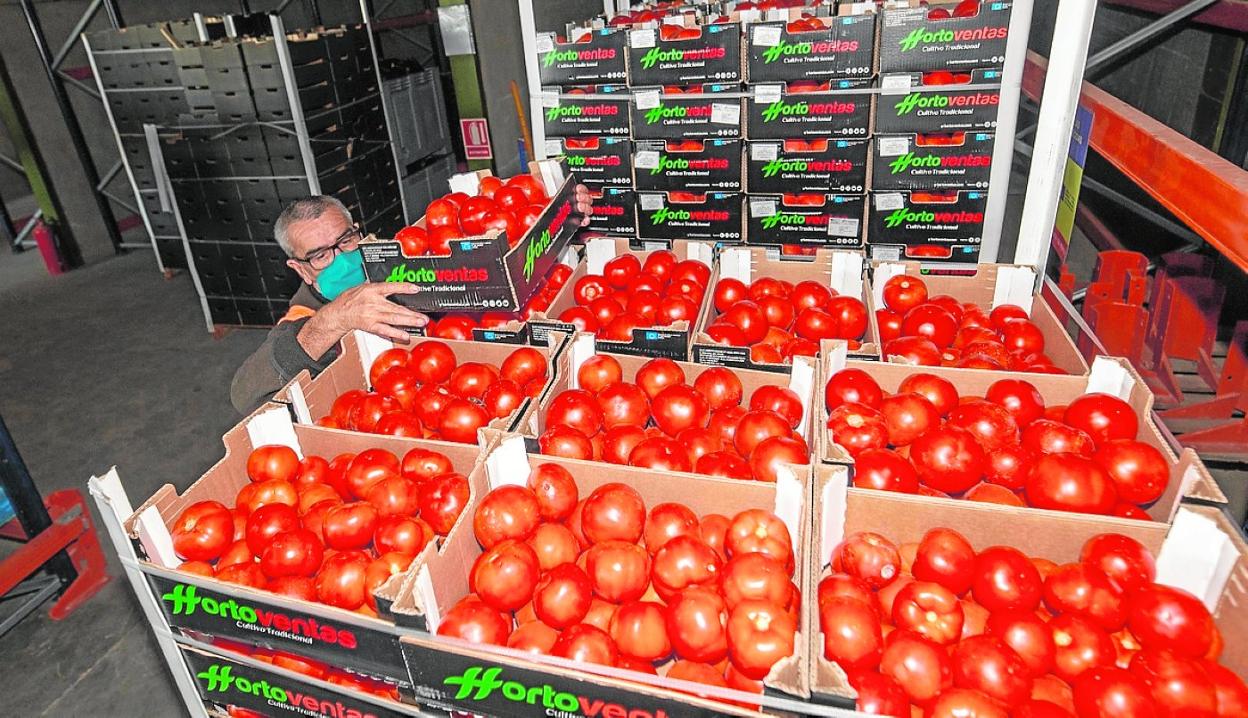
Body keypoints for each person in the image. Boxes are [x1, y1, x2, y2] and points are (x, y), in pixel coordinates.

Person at [231, 186, 593, 413]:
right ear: (300, 269)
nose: (342, 257)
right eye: (320, 255)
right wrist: (334, 318)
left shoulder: (395, 259)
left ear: (358, 230)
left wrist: (562, 220)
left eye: (346, 240)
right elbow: (243, 393)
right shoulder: (304, 315)